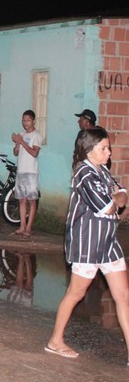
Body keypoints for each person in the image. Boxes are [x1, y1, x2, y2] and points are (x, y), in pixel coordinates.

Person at [46, 128, 129, 363]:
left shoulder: (101, 171)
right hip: (87, 244)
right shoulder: (84, 173)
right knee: (76, 293)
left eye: (108, 148)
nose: (109, 153)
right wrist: (117, 198)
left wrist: (119, 196)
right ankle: (55, 341)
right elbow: (109, 207)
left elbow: (122, 194)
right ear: (89, 149)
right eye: (103, 148)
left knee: (123, 295)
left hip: (108, 242)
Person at [10, 110, 42, 237]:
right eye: (23, 120)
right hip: (21, 170)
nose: (25, 123)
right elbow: (16, 152)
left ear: (33, 121)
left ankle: (29, 227)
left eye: (28, 120)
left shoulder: (36, 135)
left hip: (31, 171)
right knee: (21, 200)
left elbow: (35, 153)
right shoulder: (22, 134)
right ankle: (22, 226)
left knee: (32, 200)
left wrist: (22, 141)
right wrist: (17, 143)